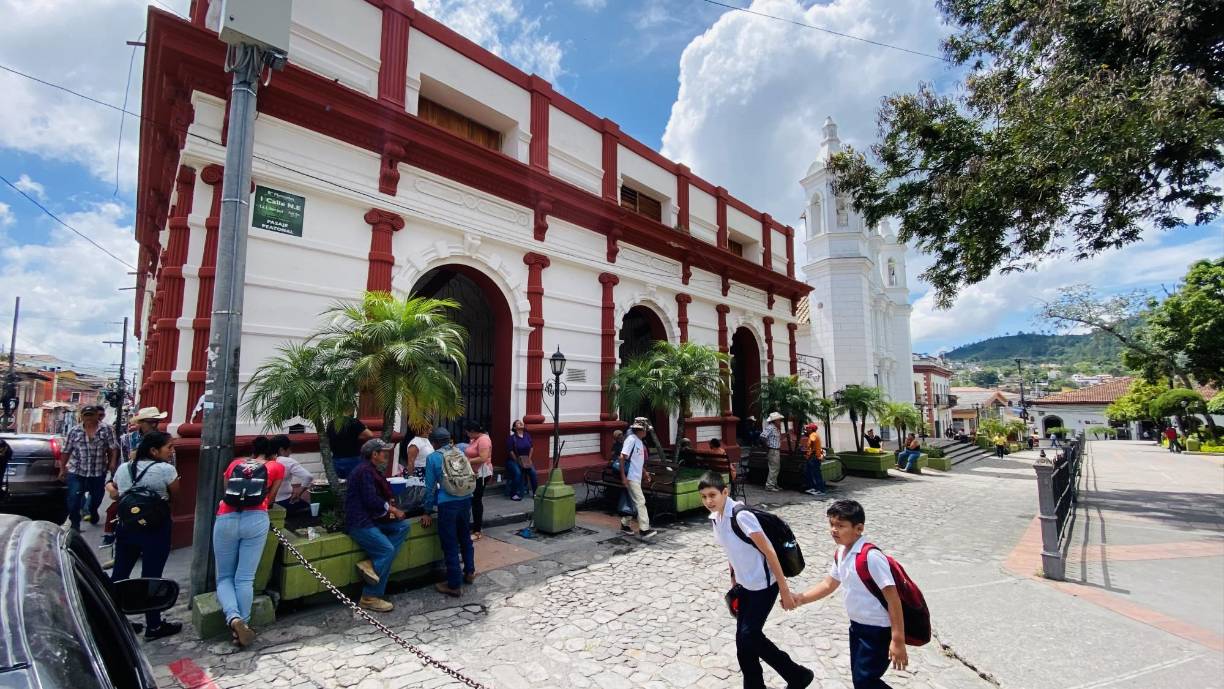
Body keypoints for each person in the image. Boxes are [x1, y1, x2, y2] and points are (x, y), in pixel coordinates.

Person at [698, 472, 814, 689]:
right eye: (704, 496)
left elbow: (769, 552)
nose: (708, 501)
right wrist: (734, 582)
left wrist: (785, 591)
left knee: (749, 635)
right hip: (745, 586)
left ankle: (798, 675)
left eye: (712, 495)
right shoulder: (716, 519)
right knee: (743, 644)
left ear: (725, 492)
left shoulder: (741, 516)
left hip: (764, 586)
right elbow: (731, 550)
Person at [794, 500, 909, 689]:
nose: (834, 530)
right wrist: (801, 598)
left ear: (859, 528)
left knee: (865, 681)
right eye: (832, 524)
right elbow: (829, 584)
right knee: (860, 680)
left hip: (878, 630)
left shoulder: (871, 557)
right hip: (857, 627)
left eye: (840, 526)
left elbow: (893, 598)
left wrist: (898, 640)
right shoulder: (841, 552)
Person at [107, 431, 181, 639]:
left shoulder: (124, 468)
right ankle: (154, 625)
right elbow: (175, 496)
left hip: (127, 527)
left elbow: (115, 490)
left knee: (120, 573)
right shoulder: (166, 470)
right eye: (169, 447)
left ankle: (114, 622)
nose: (172, 451)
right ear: (154, 450)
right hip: (156, 529)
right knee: (152, 575)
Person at [213, 436, 285, 647]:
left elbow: (226, 491)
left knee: (224, 577)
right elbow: (270, 499)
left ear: (253, 451)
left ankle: (233, 618)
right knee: (245, 578)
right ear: (273, 453)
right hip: (256, 519)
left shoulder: (235, 463)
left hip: (226, 517)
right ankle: (244, 623)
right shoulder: (276, 467)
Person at [346, 438, 409, 613]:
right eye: (383, 452)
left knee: (403, 527)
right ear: (374, 454)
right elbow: (371, 499)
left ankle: (372, 564)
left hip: (373, 519)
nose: (386, 455)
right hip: (360, 522)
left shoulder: (370, 470)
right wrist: (392, 509)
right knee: (386, 550)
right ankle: (370, 597)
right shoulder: (364, 471)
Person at [421, 428, 476, 597]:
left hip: (447, 503)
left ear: (435, 443)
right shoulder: (460, 452)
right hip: (465, 499)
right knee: (465, 537)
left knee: (450, 543)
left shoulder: (433, 458)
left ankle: (453, 584)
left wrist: (427, 510)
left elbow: (430, 487)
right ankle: (470, 572)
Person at [59, 405, 119, 531]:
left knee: (96, 497)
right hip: (77, 470)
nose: (89, 418)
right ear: (82, 417)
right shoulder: (74, 431)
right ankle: (75, 525)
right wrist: (62, 468)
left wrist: (112, 462)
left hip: (98, 470)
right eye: (86, 415)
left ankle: (92, 510)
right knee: (74, 498)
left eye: (91, 415)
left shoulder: (107, 430)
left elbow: (113, 448)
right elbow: (66, 451)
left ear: (96, 416)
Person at [618, 420, 656, 540]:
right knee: (640, 501)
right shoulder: (631, 440)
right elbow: (622, 457)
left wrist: (644, 473)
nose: (646, 432)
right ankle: (644, 529)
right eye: (645, 430)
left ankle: (625, 525)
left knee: (632, 500)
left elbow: (636, 461)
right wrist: (624, 477)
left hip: (635, 476)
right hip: (631, 477)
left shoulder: (639, 441)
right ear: (640, 430)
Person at [463, 421, 493, 540]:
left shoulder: (483, 440)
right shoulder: (474, 439)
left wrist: (467, 461)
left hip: (481, 474)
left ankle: (477, 530)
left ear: (472, 431)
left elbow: (483, 458)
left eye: (467, 432)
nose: (467, 435)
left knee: (476, 501)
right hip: (473, 473)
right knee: (472, 500)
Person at [270, 435, 313, 515]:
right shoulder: (287, 461)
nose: (291, 451)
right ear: (281, 450)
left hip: (267, 503)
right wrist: (299, 492)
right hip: (284, 501)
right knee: (311, 510)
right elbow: (308, 477)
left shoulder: (265, 460)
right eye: (290, 449)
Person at [327, 413, 373, 479]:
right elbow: (370, 434)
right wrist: (357, 435)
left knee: (340, 483)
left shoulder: (331, 423)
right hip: (353, 458)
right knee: (356, 482)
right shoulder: (353, 421)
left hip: (336, 459)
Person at [506, 419, 537, 501]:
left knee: (533, 473)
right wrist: (517, 461)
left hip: (526, 460)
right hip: (513, 460)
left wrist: (529, 459)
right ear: (514, 428)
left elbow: (531, 447)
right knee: (518, 473)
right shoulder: (511, 438)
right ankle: (513, 494)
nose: (520, 423)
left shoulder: (527, 435)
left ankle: (535, 493)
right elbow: (511, 451)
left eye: (521, 423)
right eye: (518, 423)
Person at [762, 412, 784, 492]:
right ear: (775, 420)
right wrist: (767, 446)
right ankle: (769, 485)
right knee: (773, 468)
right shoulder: (770, 427)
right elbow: (763, 436)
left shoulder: (775, 428)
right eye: (779, 420)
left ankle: (773, 484)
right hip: (773, 450)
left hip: (775, 450)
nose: (780, 421)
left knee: (776, 468)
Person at [803, 423, 827, 496]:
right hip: (813, 457)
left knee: (816, 474)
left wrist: (808, 444)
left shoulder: (813, 435)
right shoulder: (813, 434)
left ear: (811, 429)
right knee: (809, 473)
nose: (806, 429)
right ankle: (813, 488)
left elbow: (812, 441)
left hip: (814, 457)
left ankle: (820, 490)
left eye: (807, 428)